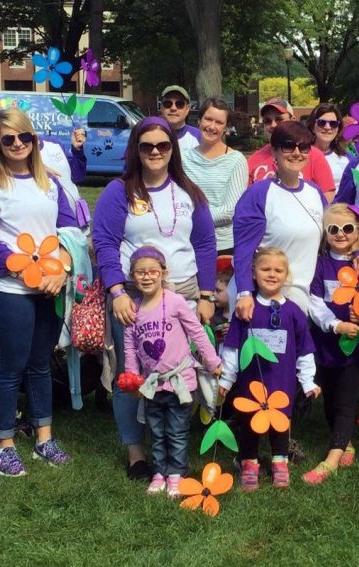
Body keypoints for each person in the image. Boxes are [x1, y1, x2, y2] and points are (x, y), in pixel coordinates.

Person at [92, 116, 217, 482]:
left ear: (172, 149)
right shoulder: (120, 191)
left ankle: (174, 447)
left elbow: (205, 244)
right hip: (134, 296)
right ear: (136, 149)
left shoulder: (189, 191)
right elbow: (104, 243)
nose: (155, 152)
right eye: (147, 146)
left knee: (182, 370)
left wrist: (207, 294)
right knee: (131, 374)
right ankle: (137, 453)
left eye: (163, 145)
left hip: (185, 292)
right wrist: (115, 290)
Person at [0, 108, 78, 477]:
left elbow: (71, 229)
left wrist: (60, 267)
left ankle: (44, 438)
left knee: (40, 365)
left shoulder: (51, 182)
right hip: (9, 291)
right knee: (10, 368)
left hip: (52, 286)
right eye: (8, 139)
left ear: (34, 140)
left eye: (24, 137)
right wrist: (34, 275)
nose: (17, 144)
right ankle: (5, 445)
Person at [120, 246, 222, 498]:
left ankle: (176, 474)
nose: (147, 276)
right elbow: (130, 347)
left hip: (181, 383)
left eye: (152, 271)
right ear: (133, 276)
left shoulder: (175, 302)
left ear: (163, 273)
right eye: (140, 272)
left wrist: (212, 361)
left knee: (176, 431)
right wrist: (132, 377)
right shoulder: (134, 310)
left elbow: (197, 333)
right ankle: (159, 473)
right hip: (152, 386)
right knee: (156, 430)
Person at [218, 247, 319, 490]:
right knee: (249, 424)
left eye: (278, 270)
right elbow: (232, 347)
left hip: (281, 383)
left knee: (280, 424)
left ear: (286, 275)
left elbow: (304, 350)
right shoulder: (246, 308)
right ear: (254, 273)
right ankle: (249, 464)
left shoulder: (293, 311)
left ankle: (279, 464)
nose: (272, 274)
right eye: (265, 269)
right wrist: (226, 380)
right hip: (250, 384)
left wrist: (308, 381)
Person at [233, 121, 328, 316]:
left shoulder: (315, 192)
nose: (296, 152)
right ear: (274, 151)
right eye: (288, 146)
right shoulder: (259, 194)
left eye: (303, 147)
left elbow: (328, 242)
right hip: (270, 299)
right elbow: (244, 249)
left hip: (308, 300)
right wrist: (244, 292)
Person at [303, 204, 359, 484]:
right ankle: (346, 441)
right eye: (333, 229)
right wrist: (335, 324)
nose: (341, 234)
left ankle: (332, 457)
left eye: (348, 228)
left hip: (352, 345)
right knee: (330, 397)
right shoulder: (320, 264)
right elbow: (314, 302)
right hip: (325, 341)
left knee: (346, 398)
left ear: (358, 233)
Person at [181, 98, 248, 254]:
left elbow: (230, 211)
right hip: (188, 243)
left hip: (223, 246)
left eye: (219, 122)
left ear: (225, 128)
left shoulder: (236, 161)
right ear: (199, 120)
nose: (212, 126)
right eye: (208, 119)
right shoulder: (183, 159)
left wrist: (188, 218)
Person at [247, 98, 335, 192]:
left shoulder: (313, 155)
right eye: (267, 121)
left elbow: (327, 192)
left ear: (293, 120)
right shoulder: (253, 160)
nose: (273, 125)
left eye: (279, 119)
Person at [309, 103, 349, 196]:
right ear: (312, 127)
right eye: (321, 122)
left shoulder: (346, 159)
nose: (327, 127)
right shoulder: (301, 155)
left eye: (333, 124)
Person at [159, 85, 200, 151]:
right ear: (161, 107)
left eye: (179, 104)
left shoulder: (199, 137)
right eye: (168, 103)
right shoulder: (152, 134)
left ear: (187, 109)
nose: (173, 108)